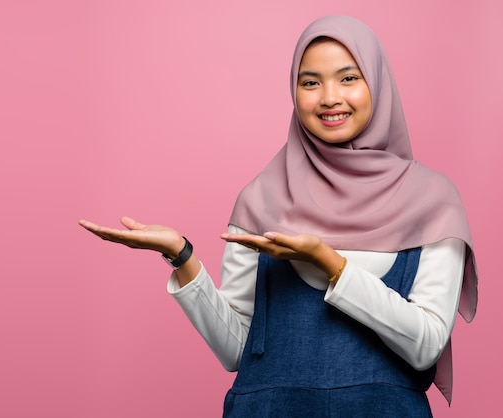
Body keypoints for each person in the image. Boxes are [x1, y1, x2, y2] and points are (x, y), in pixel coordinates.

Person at [80, 15, 478, 417]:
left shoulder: (431, 201)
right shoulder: (262, 198)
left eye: (348, 78)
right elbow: (236, 349)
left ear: (377, 83)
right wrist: (182, 257)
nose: (329, 97)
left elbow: (426, 345)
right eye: (310, 82)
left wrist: (330, 264)